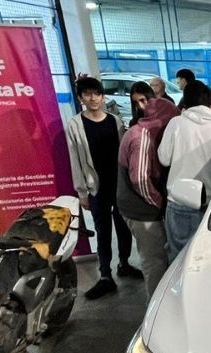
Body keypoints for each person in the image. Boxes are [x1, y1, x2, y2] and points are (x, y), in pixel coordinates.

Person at [65, 76, 141, 300]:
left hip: (118, 184)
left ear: (103, 96)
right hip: (95, 187)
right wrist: (81, 192)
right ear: (80, 98)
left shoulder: (114, 121)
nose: (93, 98)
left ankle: (124, 263)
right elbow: (75, 159)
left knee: (123, 227)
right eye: (87, 94)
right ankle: (105, 274)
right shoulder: (75, 125)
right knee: (103, 230)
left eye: (97, 93)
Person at [157, 88, 211, 263]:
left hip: (179, 202)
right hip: (209, 206)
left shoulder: (176, 124)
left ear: (185, 104)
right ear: (210, 104)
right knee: (207, 260)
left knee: (179, 261)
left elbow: (164, 159)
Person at [118, 96, 180, 295]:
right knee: (155, 261)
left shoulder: (140, 131)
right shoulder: (141, 138)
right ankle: (155, 307)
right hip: (141, 211)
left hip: (137, 207)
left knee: (155, 259)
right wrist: (160, 204)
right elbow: (140, 180)